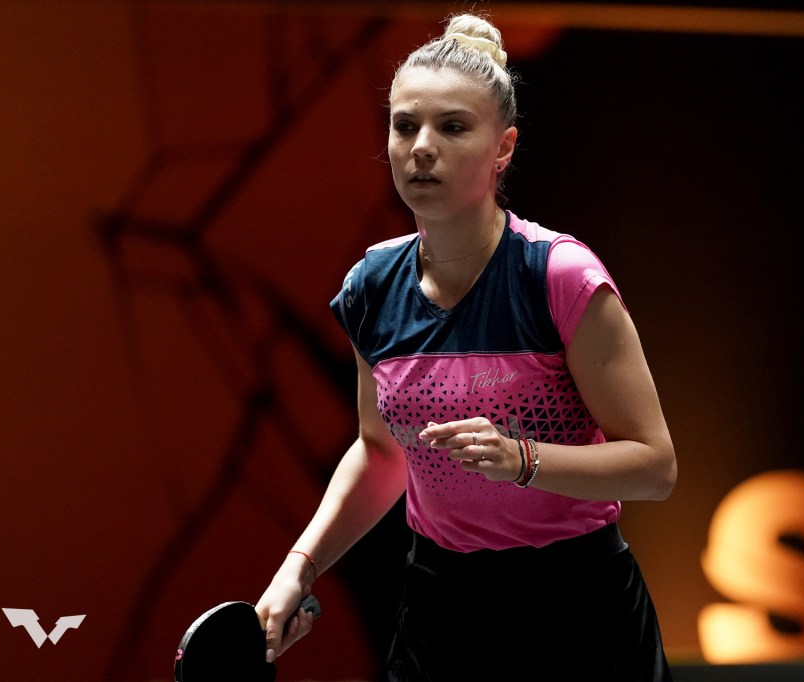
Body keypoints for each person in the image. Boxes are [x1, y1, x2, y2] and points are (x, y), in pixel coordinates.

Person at [255, 12, 677, 681]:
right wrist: (298, 569)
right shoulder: (371, 286)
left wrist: (522, 459)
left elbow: (654, 467)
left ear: (503, 148)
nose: (422, 147)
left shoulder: (558, 276)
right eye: (405, 126)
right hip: (441, 611)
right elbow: (380, 452)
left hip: (577, 611)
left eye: (453, 127)